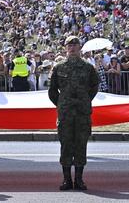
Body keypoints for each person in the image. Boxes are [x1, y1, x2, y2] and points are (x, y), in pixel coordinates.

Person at [48, 35, 99, 191]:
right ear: (65, 48)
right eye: (69, 45)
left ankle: (79, 180)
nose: (72, 48)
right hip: (65, 113)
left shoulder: (88, 68)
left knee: (81, 145)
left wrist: (83, 100)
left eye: (75, 45)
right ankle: (66, 180)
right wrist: (62, 103)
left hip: (82, 112)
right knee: (66, 145)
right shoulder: (58, 67)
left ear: (80, 48)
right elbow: (52, 91)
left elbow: (94, 88)